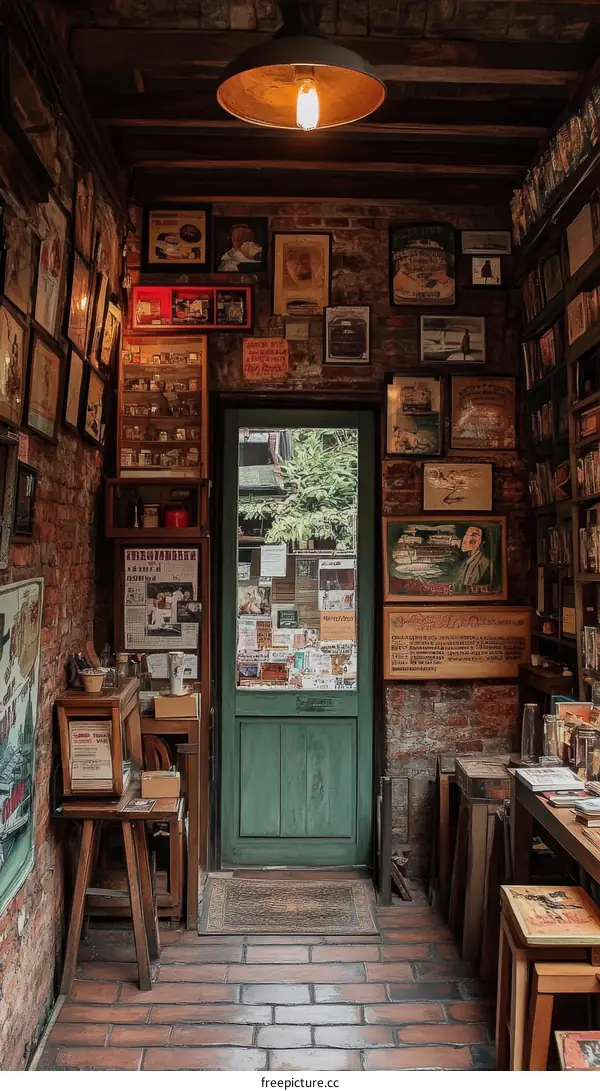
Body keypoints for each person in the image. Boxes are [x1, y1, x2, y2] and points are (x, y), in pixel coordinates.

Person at [453, 525, 490, 593]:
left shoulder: (484, 563)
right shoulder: (466, 561)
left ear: (482, 542)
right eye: (466, 534)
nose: (465, 539)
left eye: (473, 535)